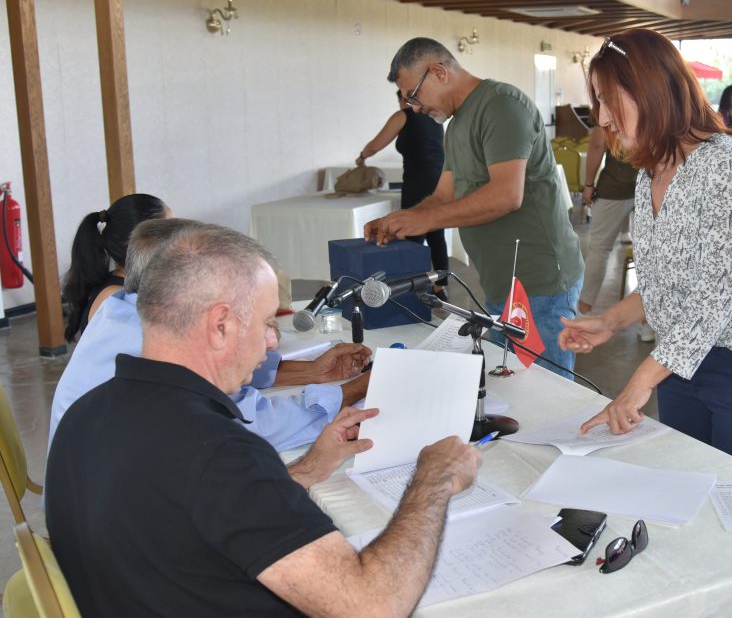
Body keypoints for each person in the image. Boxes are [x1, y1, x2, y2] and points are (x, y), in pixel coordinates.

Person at [46, 221, 481, 617]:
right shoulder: (219, 453)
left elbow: (186, 518)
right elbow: (372, 606)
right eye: (267, 323)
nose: (272, 343)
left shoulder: (86, 412)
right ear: (220, 325)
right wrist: (433, 481)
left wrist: (307, 468)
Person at [558, 30, 732, 477]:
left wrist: (637, 386)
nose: (604, 118)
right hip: (679, 363)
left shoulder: (725, 164)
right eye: (599, 103)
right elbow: (664, 284)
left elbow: (714, 297)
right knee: (687, 488)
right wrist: (610, 321)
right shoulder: (649, 173)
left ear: (652, 90)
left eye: (610, 100)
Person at [48, 218, 372, 455]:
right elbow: (255, 426)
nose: (271, 341)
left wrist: (312, 371)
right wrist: (356, 389)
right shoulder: (155, 347)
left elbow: (224, 375)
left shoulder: (121, 309)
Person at [364, 37, 584, 378]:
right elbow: (443, 196)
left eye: (414, 95)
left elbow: (507, 195)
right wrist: (404, 218)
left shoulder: (501, 105)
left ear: (439, 73)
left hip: (539, 284)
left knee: (545, 390)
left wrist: (426, 221)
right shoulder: (455, 126)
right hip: (500, 283)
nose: (415, 108)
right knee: (513, 388)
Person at [356, 90, 449, 298]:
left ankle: (412, 287)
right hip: (439, 178)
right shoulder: (435, 117)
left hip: (417, 181)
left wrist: (361, 157)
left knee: (410, 234)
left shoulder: (403, 115)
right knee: (436, 233)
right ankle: (440, 286)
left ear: (403, 99)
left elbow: (376, 145)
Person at [61, 193, 169, 341]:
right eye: (172, 232)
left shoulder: (131, 289)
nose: (180, 240)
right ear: (144, 244)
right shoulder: (116, 300)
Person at [579, 126, 640, 317]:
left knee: (599, 249)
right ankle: (647, 320)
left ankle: (584, 310)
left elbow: (597, 145)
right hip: (647, 184)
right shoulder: (653, 110)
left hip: (614, 186)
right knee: (648, 254)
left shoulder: (611, 113)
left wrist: (589, 184)